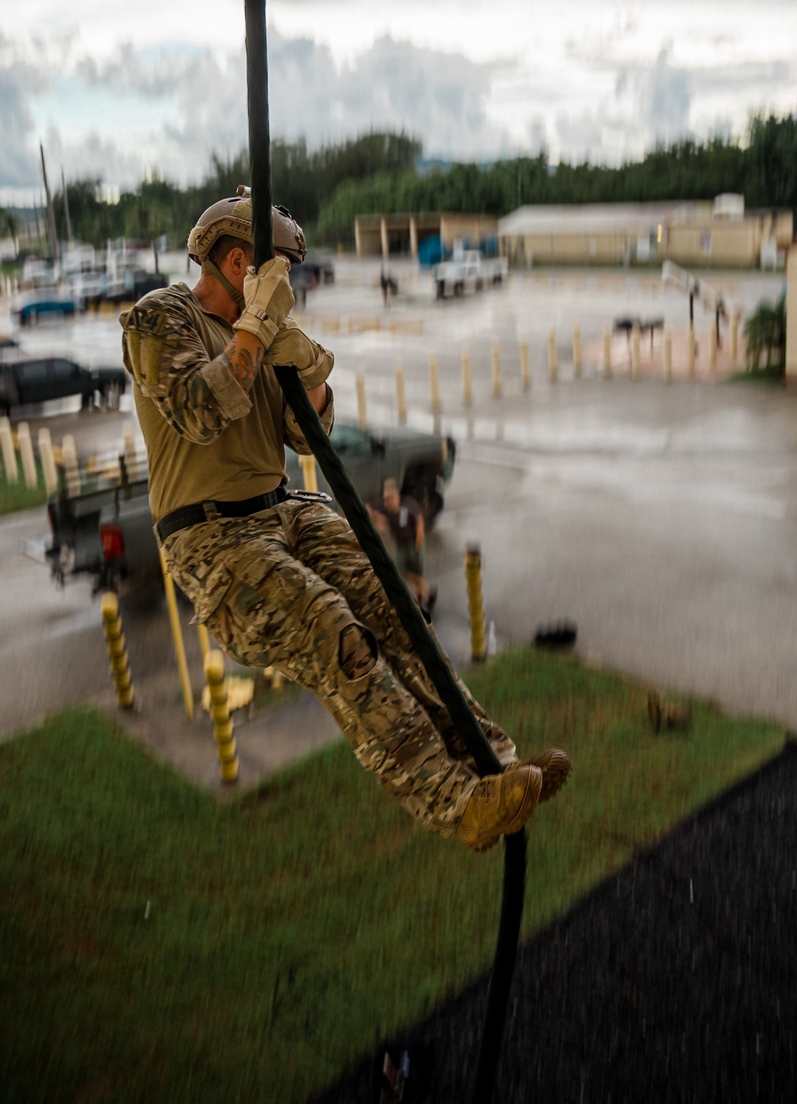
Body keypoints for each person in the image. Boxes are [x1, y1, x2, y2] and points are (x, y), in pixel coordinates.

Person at [121, 189, 570, 850]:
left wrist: (304, 367)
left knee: (396, 606)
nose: (289, 288)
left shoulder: (263, 333)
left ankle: (493, 760)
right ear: (240, 261)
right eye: (277, 273)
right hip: (214, 539)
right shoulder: (161, 318)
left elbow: (309, 434)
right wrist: (254, 329)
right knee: (335, 629)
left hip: (283, 512)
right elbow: (198, 411)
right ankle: (455, 803)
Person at [368, 478, 432, 614]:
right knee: (402, 574)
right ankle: (421, 595)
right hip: (401, 546)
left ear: (397, 495)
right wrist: (377, 518)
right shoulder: (384, 507)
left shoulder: (408, 505)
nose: (388, 501)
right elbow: (368, 508)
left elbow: (419, 523)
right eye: (386, 498)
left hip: (414, 543)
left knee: (418, 574)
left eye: (391, 498)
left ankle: (423, 602)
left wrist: (417, 547)